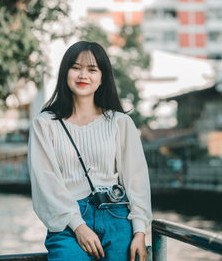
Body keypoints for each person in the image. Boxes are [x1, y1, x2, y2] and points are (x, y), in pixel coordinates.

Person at [28, 41, 152, 261]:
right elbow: (45, 182)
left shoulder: (120, 122)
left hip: (117, 216)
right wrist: (78, 226)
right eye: (75, 68)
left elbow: (136, 179)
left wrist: (140, 231)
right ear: (64, 73)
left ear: (102, 77)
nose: (83, 75)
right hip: (68, 221)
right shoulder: (45, 124)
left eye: (92, 69)